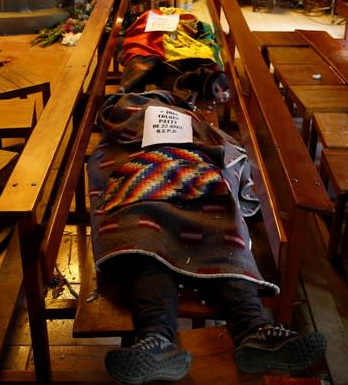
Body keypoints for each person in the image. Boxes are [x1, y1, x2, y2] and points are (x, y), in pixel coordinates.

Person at [87, 90, 327, 384]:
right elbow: (105, 162)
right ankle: (156, 339)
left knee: (221, 234)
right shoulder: (120, 123)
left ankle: (255, 330)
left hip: (193, 177)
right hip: (142, 186)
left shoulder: (187, 118)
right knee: (145, 245)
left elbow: (219, 146)